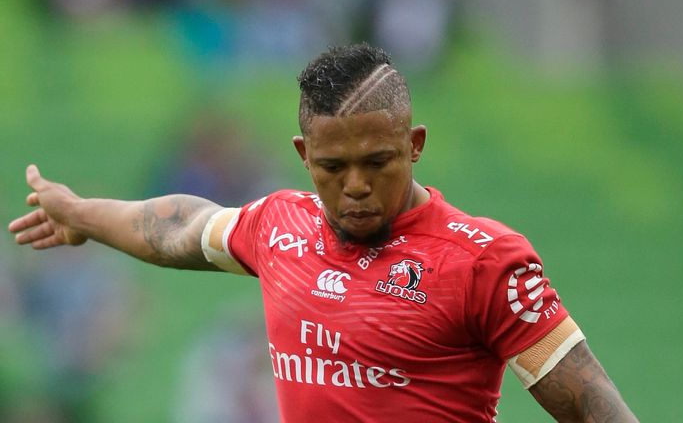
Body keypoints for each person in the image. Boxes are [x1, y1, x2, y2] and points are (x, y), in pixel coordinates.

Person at [8, 43, 637, 422]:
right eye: (334, 168)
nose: (356, 186)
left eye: (379, 163)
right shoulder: (281, 225)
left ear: (413, 145)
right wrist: (82, 214)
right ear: (304, 154)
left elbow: (592, 407)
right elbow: (180, 227)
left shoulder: (484, 262)